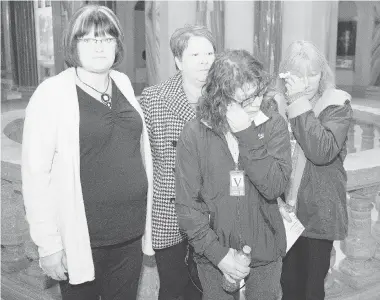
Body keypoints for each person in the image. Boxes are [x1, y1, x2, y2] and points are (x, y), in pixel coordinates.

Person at [22, 5, 154, 300]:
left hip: (130, 234)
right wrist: (49, 245)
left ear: (117, 46)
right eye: (89, 39)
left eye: (107, 39)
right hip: (83, 240)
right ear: (73, 44)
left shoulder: (122, 82)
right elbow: (35, 175)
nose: (99, 47)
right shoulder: (52, 94)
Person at [175, 49, 292, 300]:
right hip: (213, 254)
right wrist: (218, 255)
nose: (256, 104)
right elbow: (187, 207)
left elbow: (274, 186)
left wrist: (247, 135)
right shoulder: (194, 134)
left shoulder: (274, 125)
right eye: (245, 100)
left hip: (266, 251)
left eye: (258, 94)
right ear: (221, 99)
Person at [139, 25, 215, 300]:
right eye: (196, 54)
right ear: (179, 60)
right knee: (172, 291)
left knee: (206, 291)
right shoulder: (153, 99)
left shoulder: (225, 99)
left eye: (209, 52)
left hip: (212, 217)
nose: (205, 60)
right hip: (169, 216)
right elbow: (143, 163)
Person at [277, 40, 353, 300]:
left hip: (318, 216)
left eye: (313, 74)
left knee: (311, 290)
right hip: (285, 214)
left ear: (323, 74)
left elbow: (321, 151)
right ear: (286, 75)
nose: (307, 82)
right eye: (299, 75)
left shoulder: (337, 105)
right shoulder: (274, 105)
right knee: (288, 285)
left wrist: (298, 101)